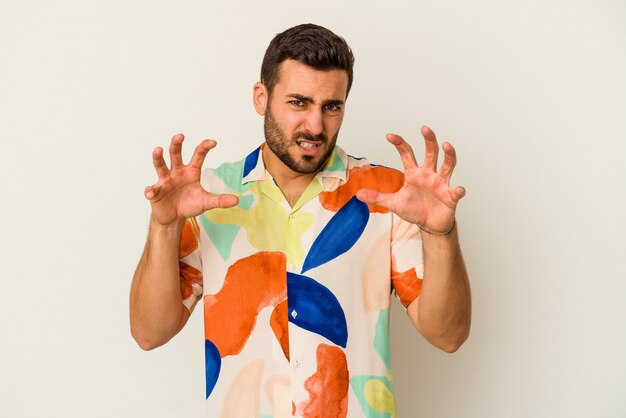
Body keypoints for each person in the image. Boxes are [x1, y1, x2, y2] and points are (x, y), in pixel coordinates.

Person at [130, 23, 471, 417]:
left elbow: (448, 335)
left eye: (331, 106)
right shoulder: (207, 198)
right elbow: (148, 333)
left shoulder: (389, 196)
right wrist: (164, 227)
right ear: (261, 97)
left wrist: (440, 232)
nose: (315, 126)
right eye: (298, 102)